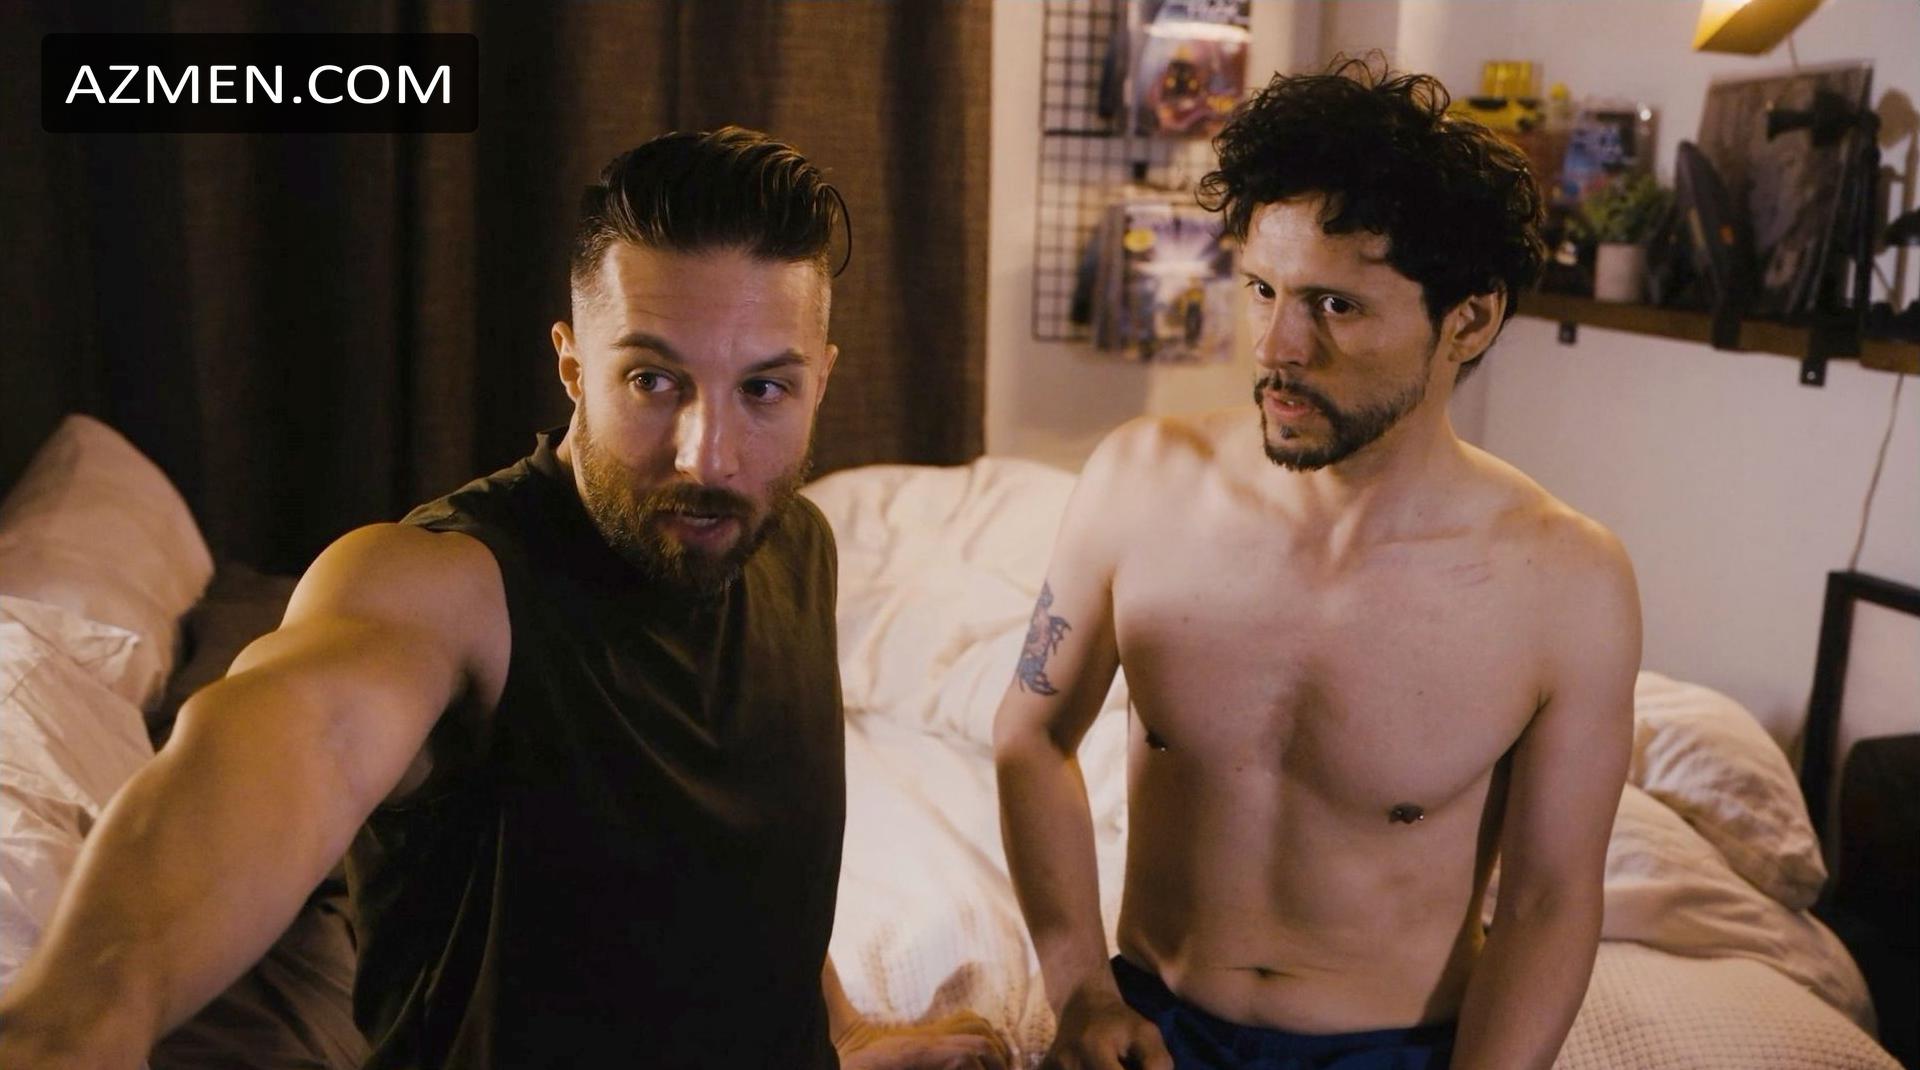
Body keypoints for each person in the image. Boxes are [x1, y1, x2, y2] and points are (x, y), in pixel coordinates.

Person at [0, 127, 1007, 1070]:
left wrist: (844, 1034)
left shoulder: (797, 547)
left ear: (820, 382)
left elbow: (745, 870)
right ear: (572, 365)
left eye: (764, 389)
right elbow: (298, 733)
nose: (710, 457)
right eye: (654, 380)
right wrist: (75, 1021)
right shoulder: (445, 586)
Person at [994, 60, 1640, 1070]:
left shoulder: (1567, 582)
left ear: (1469, 320)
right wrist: (1080, 989)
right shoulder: (1138, 480)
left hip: (1392, 1049)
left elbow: (1549, 898)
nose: (1276, 347)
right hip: (1149, 1025)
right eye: (1263, 289)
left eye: (1335, 305)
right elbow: (1031, 734)